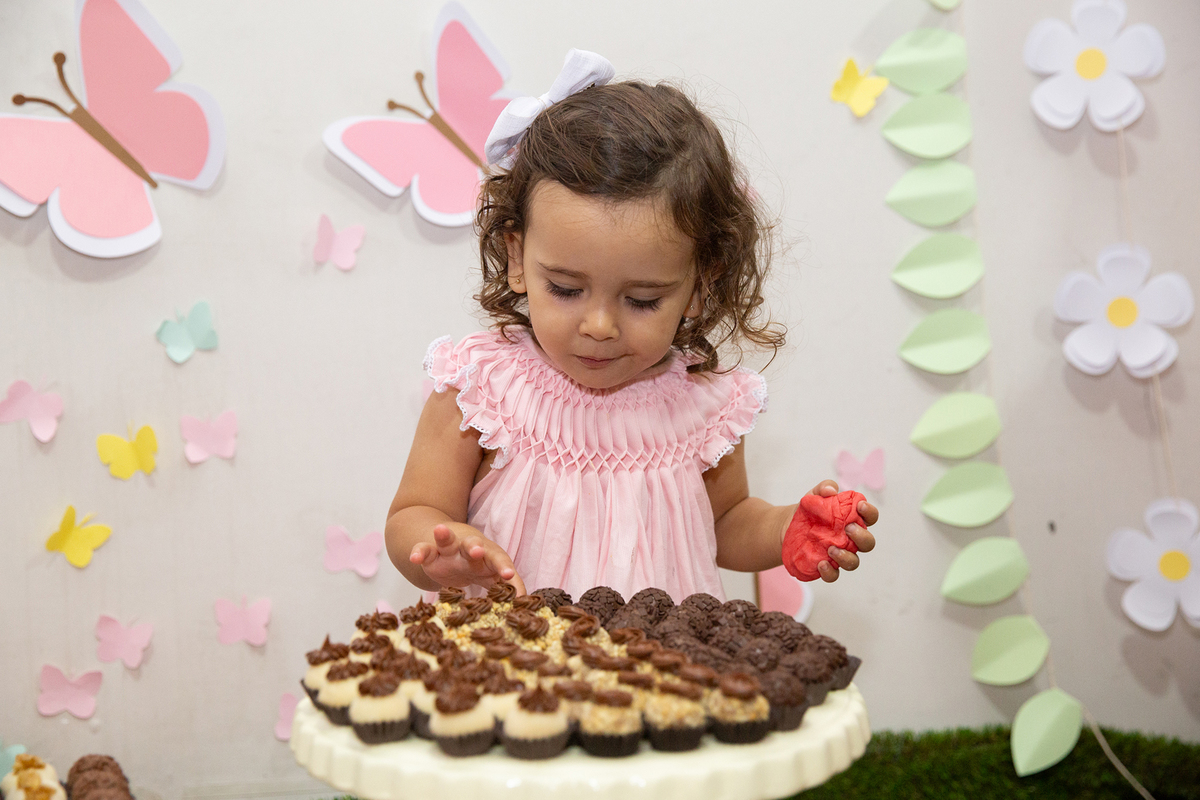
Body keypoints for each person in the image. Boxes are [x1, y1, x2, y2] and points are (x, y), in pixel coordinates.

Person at [385, 50, 877, 602]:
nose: (599, 326)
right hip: (512, 653)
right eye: (566, 289)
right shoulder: (481, 392)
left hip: (663, 653)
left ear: (701, 285)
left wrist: (787, 529)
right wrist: (442, 549)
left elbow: (723, 524)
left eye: (642, 300)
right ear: (517, 257)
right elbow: (414, 512)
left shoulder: (704, 408)